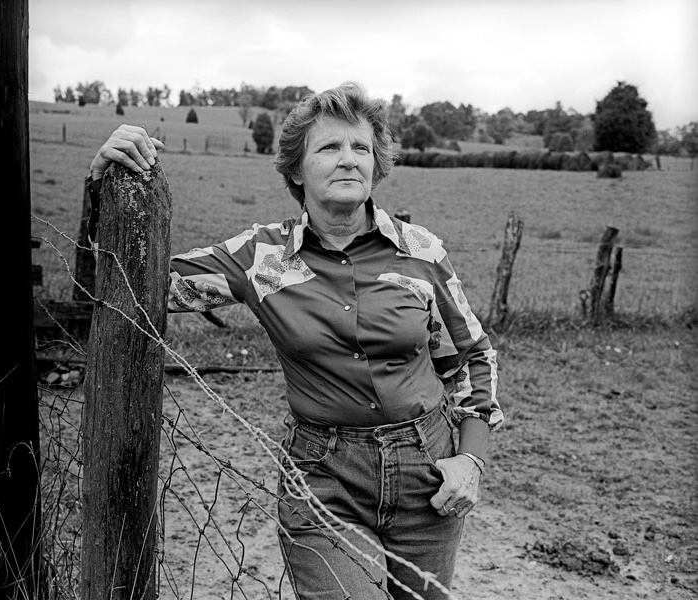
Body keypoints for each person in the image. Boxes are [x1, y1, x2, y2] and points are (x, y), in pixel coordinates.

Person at [87, 82, 502, 600]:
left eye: (361, 148)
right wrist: (101, 185)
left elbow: (471, 357)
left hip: (429, 477)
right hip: (325, 480)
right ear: (296, 169)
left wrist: (472, 459)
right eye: (329, 147)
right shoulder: (260, 257)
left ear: (377, 164)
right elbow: (123, 283)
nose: (349, 160)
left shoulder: (420, 252)